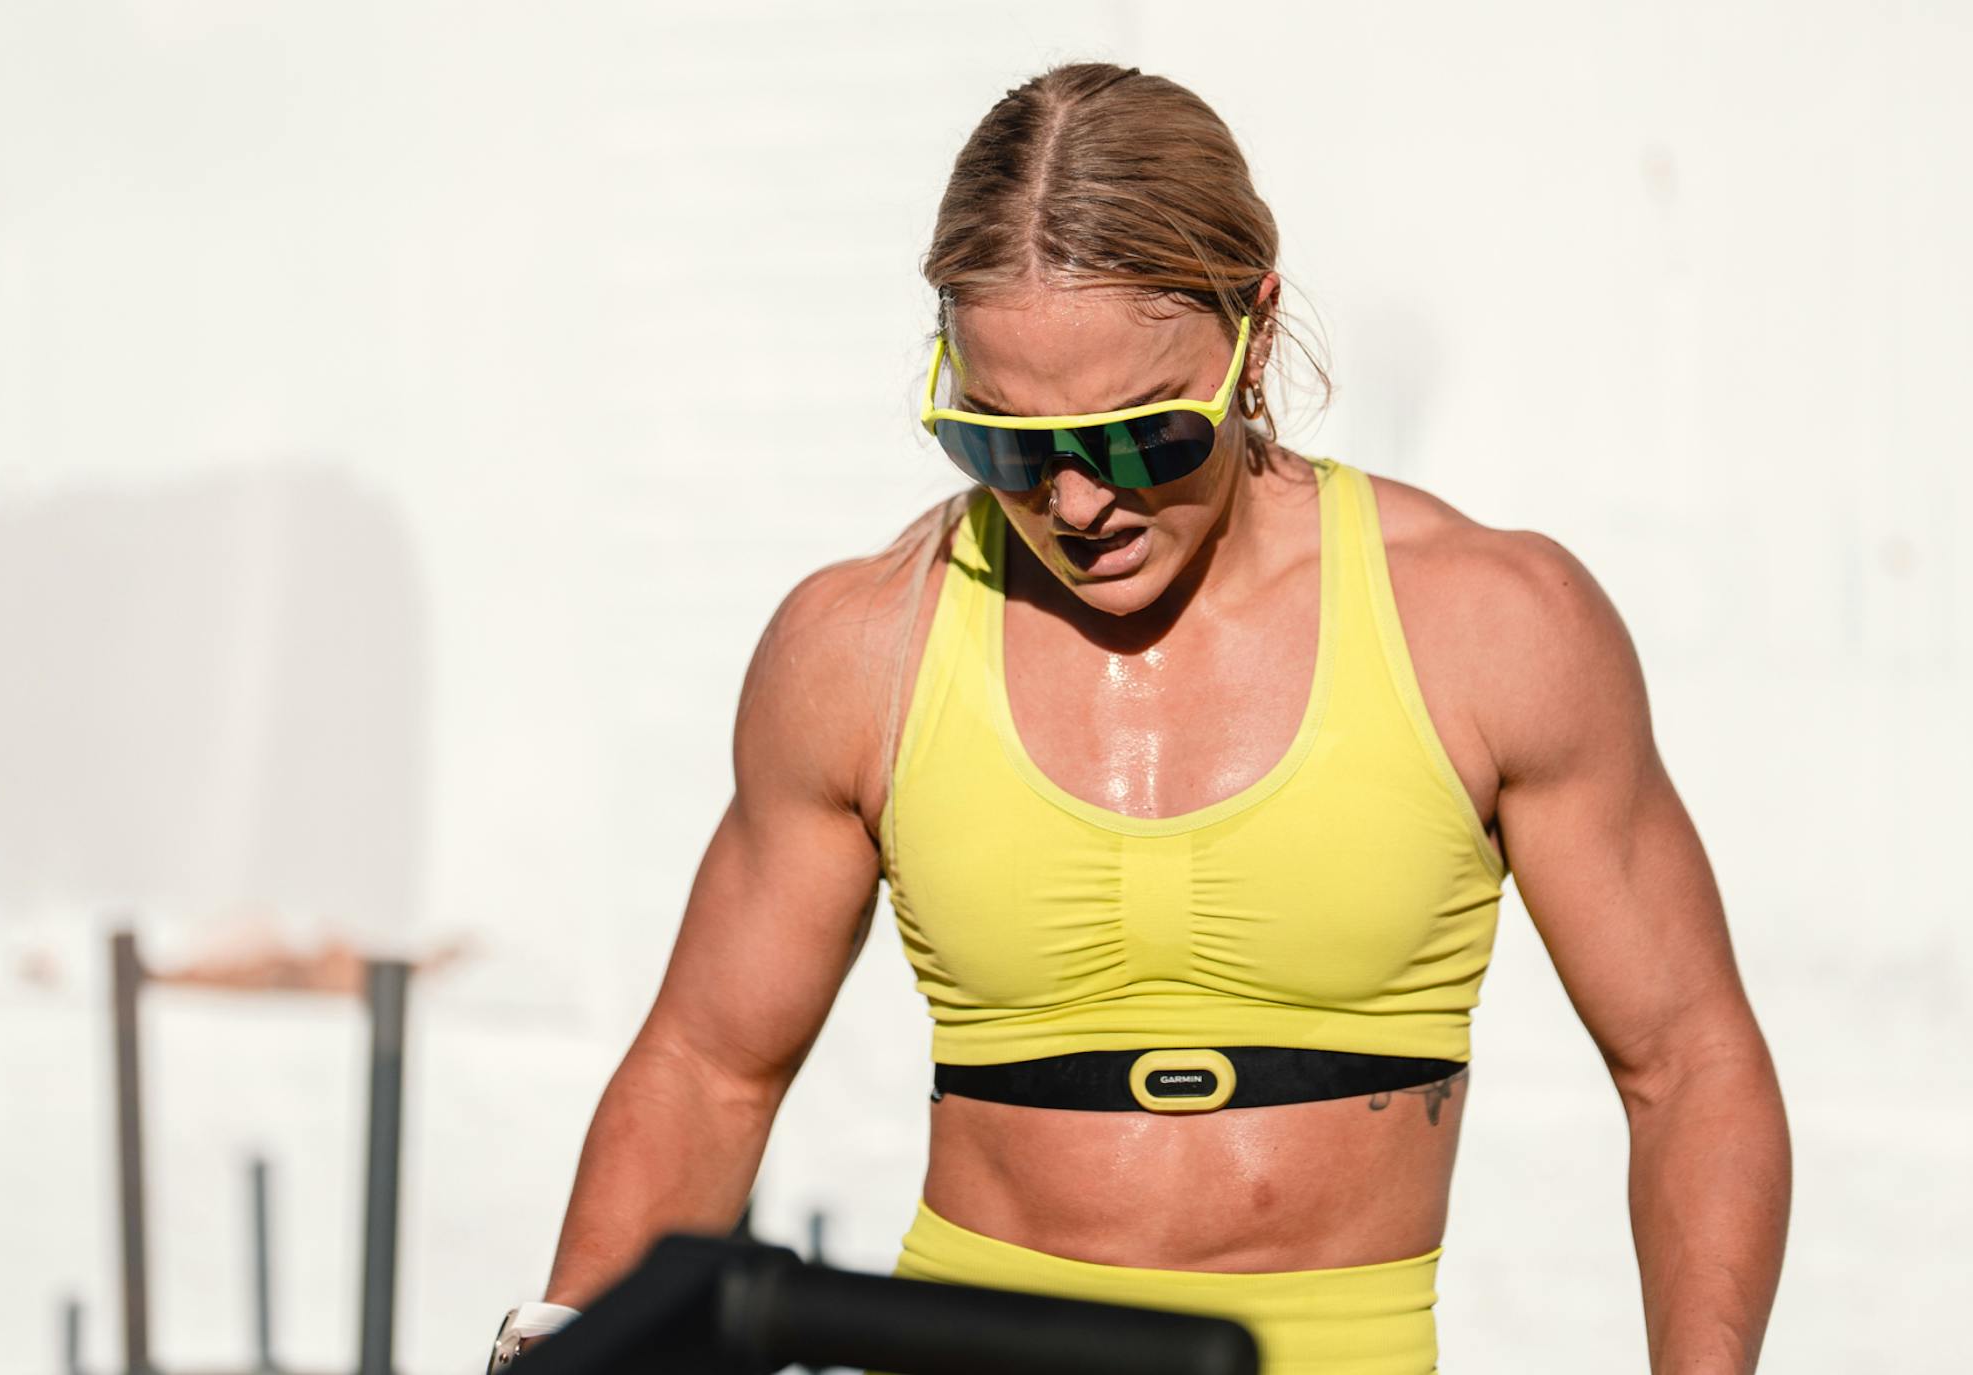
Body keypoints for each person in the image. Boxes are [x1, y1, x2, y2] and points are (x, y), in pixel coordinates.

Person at [488, 63, 1791, 1375]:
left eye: (1137, 438)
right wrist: (569, 1354)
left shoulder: (1496, 626)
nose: (1073, 505)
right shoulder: (857, 648)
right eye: (1002, 445)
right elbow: (709, 1068)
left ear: (1256, 333)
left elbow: (1688, 1064)